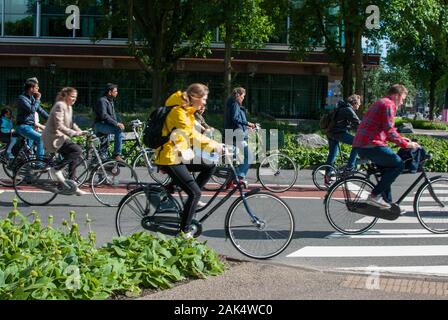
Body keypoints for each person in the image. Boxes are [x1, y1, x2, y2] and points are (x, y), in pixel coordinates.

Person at [155, 83, 222, 238]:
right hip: (169, 158)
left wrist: (217, 145)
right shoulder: (178, 111)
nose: (205, 102)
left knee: (210, 165)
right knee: (195, 193)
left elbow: (193, 132)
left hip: (179, 154)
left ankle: (189, 202)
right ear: (195, 97)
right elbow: (191, 136)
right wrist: (215, 146)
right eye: (204, 99)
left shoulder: (187, 111)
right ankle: (184, 232)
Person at [353, 84, 420, 209]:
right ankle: (374, 196)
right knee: (398, 164)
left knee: (387, 170)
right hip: (370, 144)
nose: (402, 102)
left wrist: (401, 139)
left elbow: (385, 129)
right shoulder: (389, 104)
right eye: (402, 99)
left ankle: (388, 205)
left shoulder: (381, 102)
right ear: (396, 95)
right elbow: (389, 129)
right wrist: (407, 144)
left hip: (363, 143)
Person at [42, 87, 86, 196]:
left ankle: (71, 185)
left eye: (75, 97)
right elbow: (59, 126)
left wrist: (81, 131)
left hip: (60, 137)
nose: (74, 99)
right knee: (77, 150)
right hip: (53, 137)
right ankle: (56, 169)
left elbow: (71, 124)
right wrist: (74, 133)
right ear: (65, 95)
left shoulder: (69, 107)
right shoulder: (60, 105)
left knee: (74, 156)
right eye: (72, 96)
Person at [324, 94, 361, 184]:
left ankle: (327, 175)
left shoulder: (342, 107)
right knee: (357, 142)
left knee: (332, 154)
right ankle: (350, 166)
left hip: (331, 132)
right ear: (355, 103)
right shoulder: (348, 109)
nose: (359, 106)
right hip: (337, 133)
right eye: (359, 104)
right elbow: (358, 123)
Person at [224, 87, 255, 187]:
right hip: (236, 135)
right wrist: (248, 123)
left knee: (235, 158)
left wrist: (246, 127)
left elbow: (236, 120)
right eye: (243, 96)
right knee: (249, 156)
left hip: (234, 133)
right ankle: (239, 177)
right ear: (238, 95)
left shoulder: (233, 104)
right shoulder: (234, 104)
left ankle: (231, 178)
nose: (243, 98)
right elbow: (235, 119)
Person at [15, 77, 49, 160]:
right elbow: (32, 110)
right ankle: (39, 163)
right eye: (37, 87)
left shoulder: (32, 98)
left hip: (30, 127)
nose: (38, 88)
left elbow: (40, 110)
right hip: (23, 126)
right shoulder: (22, 98)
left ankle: (28, 163)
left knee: (30, 148)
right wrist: (37, 99)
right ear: (31, 88)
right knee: (41, 139)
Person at [93, 83, 124, 161]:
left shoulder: (110, 101)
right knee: (118, 130)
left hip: (105, 125)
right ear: (110, 92)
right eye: (115, 91)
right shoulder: (102, 101)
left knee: (104, 151)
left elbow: (112, 117)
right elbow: (104, 115)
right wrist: (116, 124)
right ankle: (117, 155)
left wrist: (118, 123)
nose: (117, 93)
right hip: (100, 125)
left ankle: (105, 164)